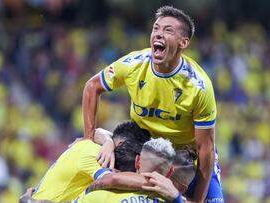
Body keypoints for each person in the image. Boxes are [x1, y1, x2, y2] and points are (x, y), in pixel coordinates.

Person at [82, 5, 223, 202]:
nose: (158, 34)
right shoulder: (134, 64)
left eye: (168, 30)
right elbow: (92, 86)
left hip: (185, 157)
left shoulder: (199, 86)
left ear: (183, 42)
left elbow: (205, 151)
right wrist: (88, 139)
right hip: (145, 149)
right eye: (156, 28)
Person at [30, 121, 150, 202]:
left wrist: (108, 141)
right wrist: (160, 183)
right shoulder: (95, 153)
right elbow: (113, 179)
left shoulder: (95, 146)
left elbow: (100, 132)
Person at [75, 138, 182, 203]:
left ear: (137, 161)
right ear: (170, 172)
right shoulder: (174, 199)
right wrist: (177, 198)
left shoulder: (98, 196)